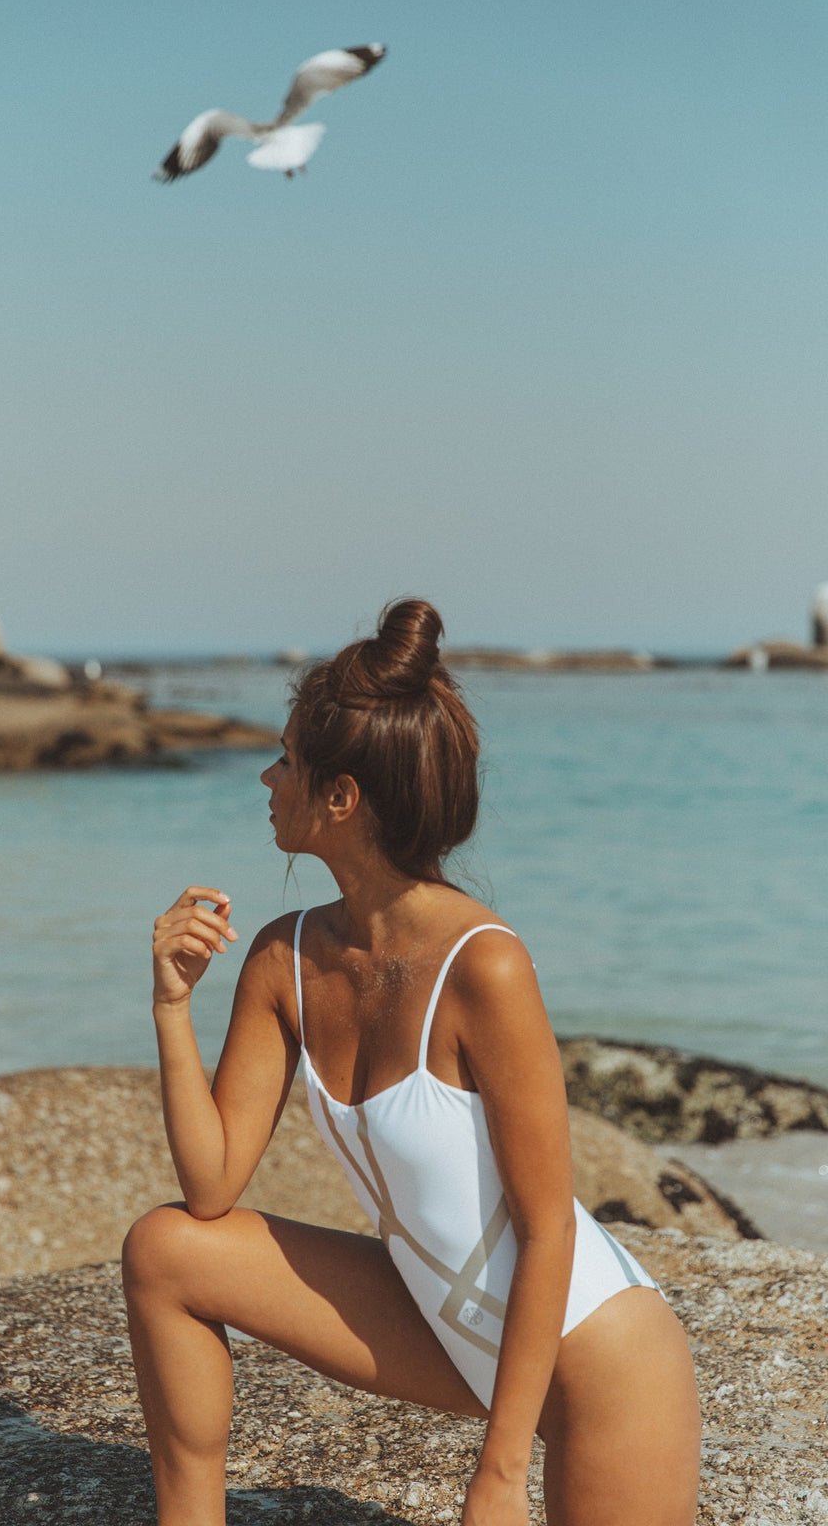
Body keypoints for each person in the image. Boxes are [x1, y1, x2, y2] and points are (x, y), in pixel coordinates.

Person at [122, 599, 701, 1526]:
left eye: (287, 761)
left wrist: (499, 1474)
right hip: (446, 1328)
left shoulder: (485, 965)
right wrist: (169, 1005)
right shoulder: (284, 959)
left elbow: (547, 1226)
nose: (268, 778)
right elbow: (209, 1186)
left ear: (341, 797)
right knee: (166, 1249)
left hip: (596, 1364)